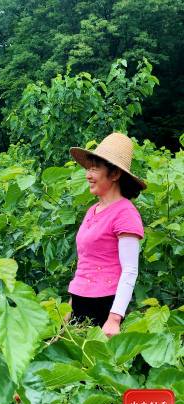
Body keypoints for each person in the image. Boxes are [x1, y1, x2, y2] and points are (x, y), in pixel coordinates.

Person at [68, 132, 146, 337]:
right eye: (88, 167)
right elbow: (85, 263)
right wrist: (70, 305)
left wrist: (114, 318)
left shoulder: (125, 213)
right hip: (80, 301)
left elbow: (130, 271)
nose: (88, 174)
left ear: (114, 174)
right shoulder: (92, 211)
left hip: (105, 304)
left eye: (95, 168)